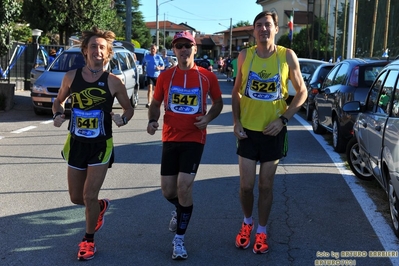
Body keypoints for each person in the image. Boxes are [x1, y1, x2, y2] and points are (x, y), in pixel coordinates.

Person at [52, 26, 134, 261]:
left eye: (101, 47)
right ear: (85, 52)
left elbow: (128, 109)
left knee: (88, 196)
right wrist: (57, 114)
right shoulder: (71, 77)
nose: (97, 50)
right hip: (76, 143)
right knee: (76, 198)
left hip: (101, 145)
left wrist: (123, 119)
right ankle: (100, 206)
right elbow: (58, 102)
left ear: (107, 53)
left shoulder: (114, 82)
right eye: (93, 46)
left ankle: (88, 241)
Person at [231, 11, 307, 254]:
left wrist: (283, 119)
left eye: (268, 25)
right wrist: (236, 122)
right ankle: (247, 223)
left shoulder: (287, 56)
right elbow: (236, 92)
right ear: (254, 31)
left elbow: (302, 92)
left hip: (273, 132)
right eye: (259, 25)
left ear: (276, 29)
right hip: (248, 132)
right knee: (246, 186)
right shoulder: (245, 56)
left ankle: (262, 231)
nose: (264, 29)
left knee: (265, 185)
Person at [147, 31, 223, 260]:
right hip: (170, 138)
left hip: (194, 138)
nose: (183, 50)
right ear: (174, 50)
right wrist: (152, 120)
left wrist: (208, 118)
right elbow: (155, 103)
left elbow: (218, 102)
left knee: (183, 186)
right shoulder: (166, 77)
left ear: (194, 49)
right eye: (179, 46)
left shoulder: (206, 77)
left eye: (187, 45)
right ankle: (181, 209)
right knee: (168, 190)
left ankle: (179, 239)